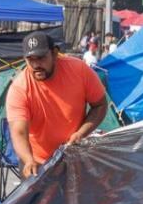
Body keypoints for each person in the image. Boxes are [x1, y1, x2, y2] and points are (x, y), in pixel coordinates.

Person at [6, 31, 108, 178]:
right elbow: (19, 132)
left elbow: (100, 105)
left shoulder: (79, 70)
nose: (36, 65)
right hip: (37, 163)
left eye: (41, 58)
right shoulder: (19, 88)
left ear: (54, 54)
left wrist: (81, 133)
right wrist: (28, 160)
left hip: (75, 158)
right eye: (30, 59)